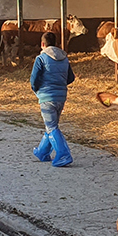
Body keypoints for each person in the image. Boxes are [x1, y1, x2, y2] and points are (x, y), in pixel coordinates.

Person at [29, 32, 76, 167]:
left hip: (46, 96)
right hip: (61, 96)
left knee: (52, 126)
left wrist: (37, 91)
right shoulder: (64, 58)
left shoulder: (41, 58)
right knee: (51, 125)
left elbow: (34, 80)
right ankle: (42, 152)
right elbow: (71, 78)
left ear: (42, 44)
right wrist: (60, 85)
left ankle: (63, 155)